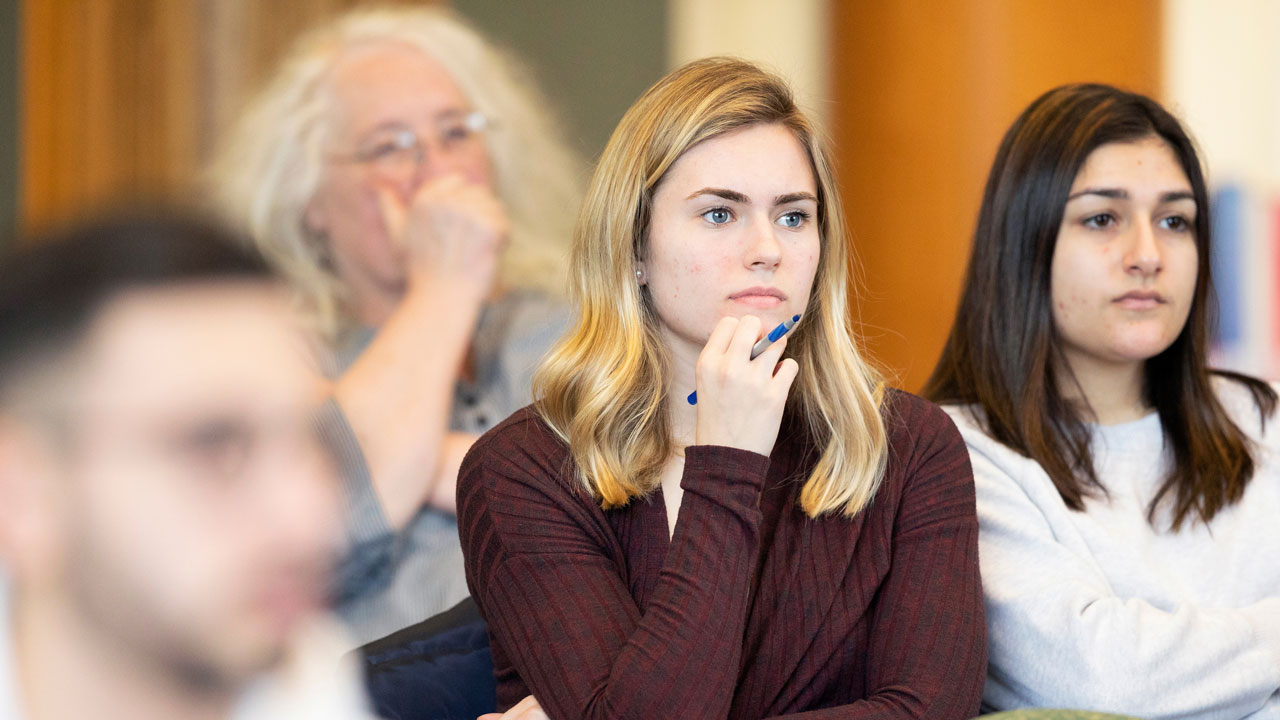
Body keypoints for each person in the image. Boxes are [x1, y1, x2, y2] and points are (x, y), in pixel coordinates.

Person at [457, 57, 986, 719]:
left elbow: (931, 711)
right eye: (719, 215)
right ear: (636, 249)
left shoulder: (909, 447)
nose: (767, 248)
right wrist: (729, 466)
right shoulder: (524, 470)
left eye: (794, 217)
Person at [209, 6, 582, 644]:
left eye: (456, 133)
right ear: (310, 200)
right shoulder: (269, 356)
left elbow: (636, 514)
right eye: (389, 146)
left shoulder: (575, 328)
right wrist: (446, 281)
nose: (436, 170)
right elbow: (336, 523)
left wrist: (433, 464)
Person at [925, 83, 1280, 719]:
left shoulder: (1264, 419)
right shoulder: (952, 454)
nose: (1147, 255)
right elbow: (1104, 681)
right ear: (1026, 242)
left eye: (1175, 221)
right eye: (1101, 219)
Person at [0, 213, 374, 719]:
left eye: (313, 442)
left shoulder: (302, 679)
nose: (312, 519)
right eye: (215, 446)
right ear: (21, 491)